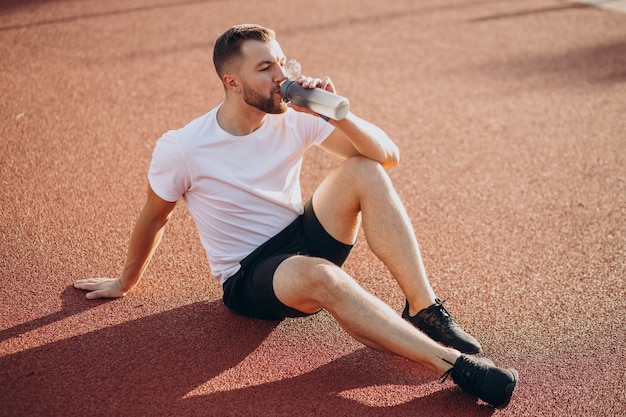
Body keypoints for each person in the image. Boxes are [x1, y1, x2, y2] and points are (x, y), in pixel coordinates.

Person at [74, 24, 517, 408]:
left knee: (363, 168)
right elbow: (155, 217)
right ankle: (458, 368)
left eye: (282, 62)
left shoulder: (293, 115)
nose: (281, 76)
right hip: (251, 275)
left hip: (302, 235)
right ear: (231, 81)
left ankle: (423, 308)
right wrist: (124, 281)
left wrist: (337, 111)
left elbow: (388, 158)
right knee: (321, 276)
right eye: (265, 67)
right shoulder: (184, 147)